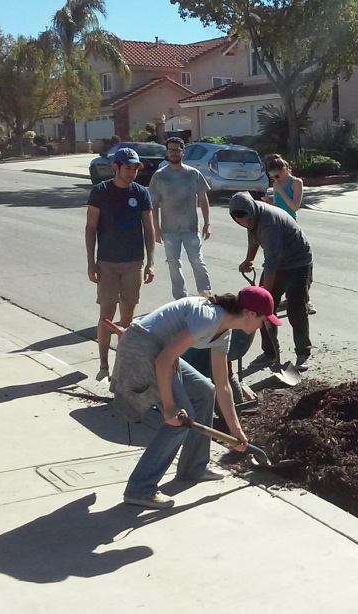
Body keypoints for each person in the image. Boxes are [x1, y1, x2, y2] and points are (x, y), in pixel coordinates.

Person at [113, 287, 276, 508]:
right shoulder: (210, 317)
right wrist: (170, 407)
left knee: (205, 391)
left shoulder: (224, 331)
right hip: (142, 345)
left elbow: (223, 384)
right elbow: (162, 361)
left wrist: (235, 430)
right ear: (251, 313)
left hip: (161, 350)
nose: (263, 326)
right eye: (264, 321)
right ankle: (139, 488)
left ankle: (194, 466)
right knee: (182, 416)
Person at [85, 147, 156, 381]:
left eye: (135, 168)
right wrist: (91, 262)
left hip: (133, 262)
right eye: (128, 167)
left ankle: (122, 365)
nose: (132, 172)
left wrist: (150, 262)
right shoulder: (100, 192)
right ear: (115, 167)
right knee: (107, 313)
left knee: (127, 316)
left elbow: (148, 228)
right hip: (107, 263)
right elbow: (91, 228)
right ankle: (103, 363)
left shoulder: (141, 192)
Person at [228, 191, 313, 372]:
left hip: (298, 263)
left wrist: (264, 294)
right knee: (262, 312)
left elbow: (272, 262)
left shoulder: (268, 222)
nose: (245, 224)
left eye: (247, 220)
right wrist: (249, 259)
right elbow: (253, 238)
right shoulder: (251, 216)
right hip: (278, 264)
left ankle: (303, 352)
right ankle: (270, 353)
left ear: (252, 210)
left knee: (296, 309)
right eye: (241, 222)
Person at [148, 136, 213, 300]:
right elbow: (153, 205)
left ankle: (205, 294)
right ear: (167, 152)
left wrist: (207, 224)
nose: (174, 153)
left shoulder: (193, 174)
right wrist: (156, 229)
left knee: (197, 261)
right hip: (169, 230)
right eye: (170, 150)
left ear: (183, 152)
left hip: (190, 228)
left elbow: (203, 199)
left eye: (177, 150)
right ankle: (180, 298)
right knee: (173, 263)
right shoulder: (159, 176)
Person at [261, 154, 316, 314]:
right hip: (277, 225)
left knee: (296, 263)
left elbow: (294, 206)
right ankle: (286, 297)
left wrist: (280, 191)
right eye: (272, 178)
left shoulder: (296, 183)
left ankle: (306, 300)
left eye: (277, 176)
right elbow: (279, 206)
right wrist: (269, 203)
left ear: (284, 170)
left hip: (291, 226)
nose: (275, 180)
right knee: (281, 262)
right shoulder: (278, 184)